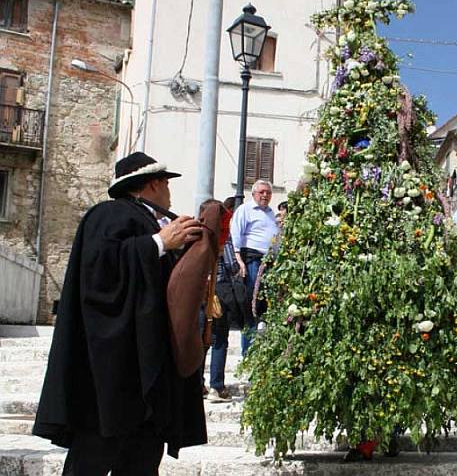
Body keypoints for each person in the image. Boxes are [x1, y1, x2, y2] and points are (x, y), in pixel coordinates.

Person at [33, 152, 208, 475]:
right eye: (167, 184)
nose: (169, 192)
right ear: (154, 183)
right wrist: (157, 242)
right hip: (111, 377)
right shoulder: (110, 214)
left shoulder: (151, 222)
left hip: (145, 374)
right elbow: (100, 269)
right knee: (93, 459)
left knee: (141, 461)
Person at [230, 179, 279, 357]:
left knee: (266, 306)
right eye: (262, 192)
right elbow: (236, 233)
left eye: (268, 192)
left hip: (270, 262)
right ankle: (247, 353)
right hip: (253, 260)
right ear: (254, 194)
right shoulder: (245, 210)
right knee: (251, 305)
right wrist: (239, 260)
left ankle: (261, 352)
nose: (265, 195)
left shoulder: (271, 213)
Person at [198, 198, 236, 403]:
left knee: (200, 340)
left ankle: (198, 384)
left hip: (198, 294)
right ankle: (216, 386)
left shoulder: (194, 234)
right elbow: (232, 265)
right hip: (218, 292)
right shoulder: (223, 239)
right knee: (219, 339)